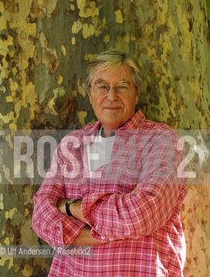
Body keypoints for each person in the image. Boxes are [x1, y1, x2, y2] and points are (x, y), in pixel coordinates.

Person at [32, 49, 187, 276]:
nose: (111, 96)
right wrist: (103, 229)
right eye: (102, 87)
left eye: (122, 87)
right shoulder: (72, 143)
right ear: (90, 93)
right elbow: (41, 214)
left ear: (136, 93)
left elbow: (143, 213)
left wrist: (70, 207)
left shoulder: (161, 140)